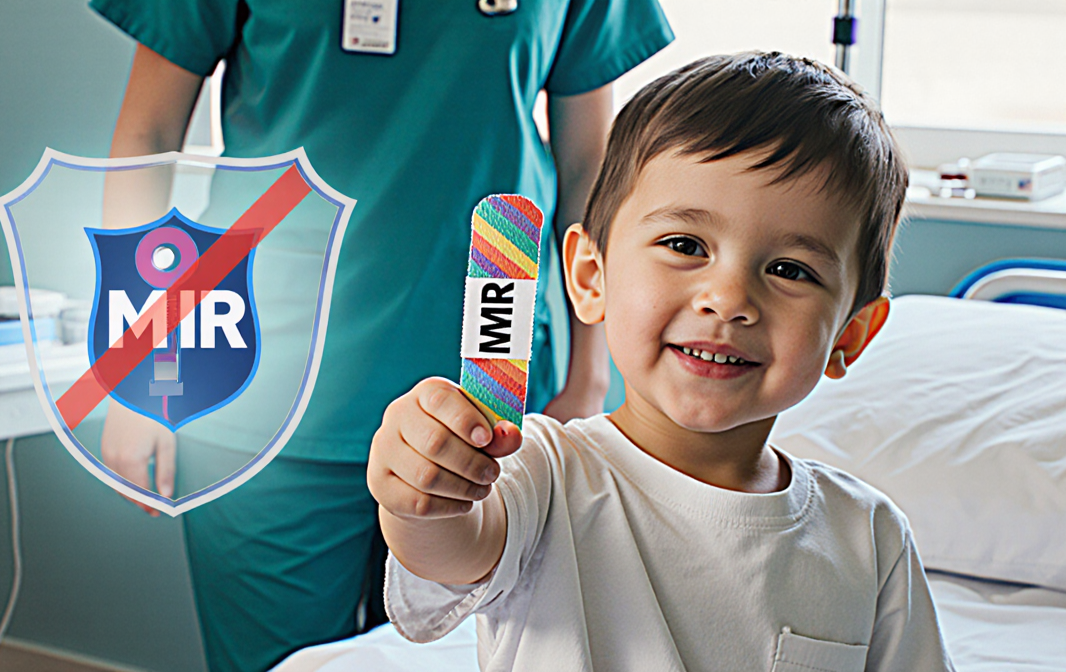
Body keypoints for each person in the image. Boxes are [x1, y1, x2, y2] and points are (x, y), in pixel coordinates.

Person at [88, 1, 674, 670]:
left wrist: (589, 373)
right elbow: (146, 136)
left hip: (490, 388)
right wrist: (137, 370)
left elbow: (588, 165)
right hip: (265, 382)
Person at [371, 52, 957, 671]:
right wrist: (423, 495)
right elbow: (451, 546)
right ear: (592, 277)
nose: (729, 300)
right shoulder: (538, 473)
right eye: (685, 245)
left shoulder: (870, 539)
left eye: (790, 270)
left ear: (850, 335)